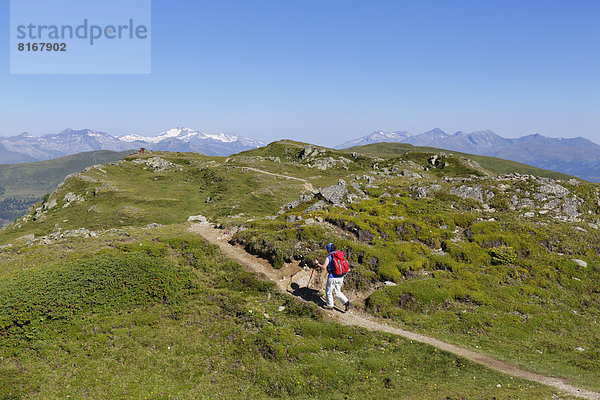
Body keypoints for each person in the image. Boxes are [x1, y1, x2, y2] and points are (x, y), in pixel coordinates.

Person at [315, 243, 350, 312]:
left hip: (332, 277)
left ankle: (330, 305)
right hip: (340, 277)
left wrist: (317, 264)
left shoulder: (329, 257)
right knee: (337, 292)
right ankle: (346, 301)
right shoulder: (339, 256)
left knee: (328, 291)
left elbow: (323, 267)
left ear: (328, 250)